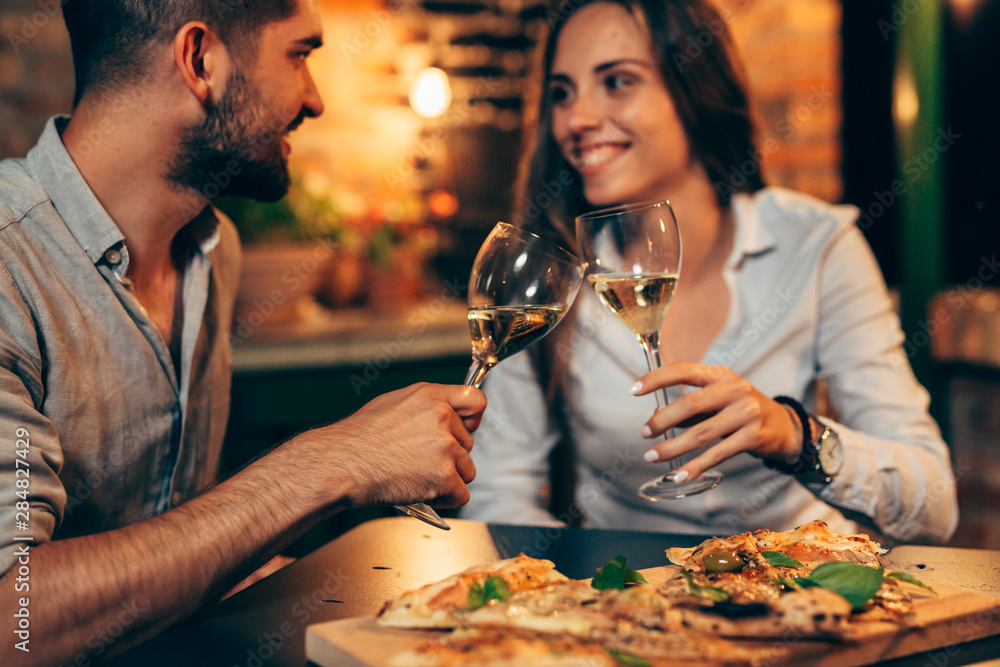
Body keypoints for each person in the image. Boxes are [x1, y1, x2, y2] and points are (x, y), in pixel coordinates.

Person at [0, 1, 485, 664]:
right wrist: (332, 461)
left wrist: (245, 564)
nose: (314, 99)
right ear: (201, 60)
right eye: (300, 54)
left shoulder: (210, 249)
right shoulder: (8, 265)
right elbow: (14, 619)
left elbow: (172, 538)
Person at [461, 0, 957, 545]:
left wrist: (796, 435)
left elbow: (935, 505)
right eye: (562, 93)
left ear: (694, 89)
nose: (576, 120)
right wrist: (578, 598)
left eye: (619, 81)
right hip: (626, 606)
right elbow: (499, 493)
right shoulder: (550, 274)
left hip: (796, 594)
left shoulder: (814, 244)